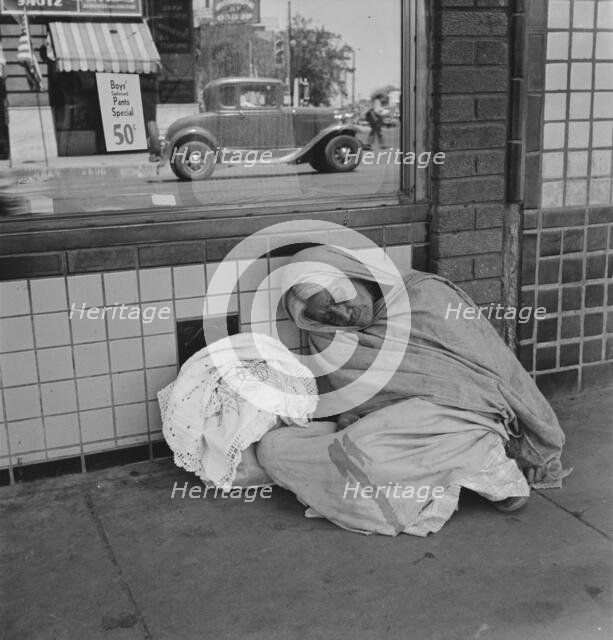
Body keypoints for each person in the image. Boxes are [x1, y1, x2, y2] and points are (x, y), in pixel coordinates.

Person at [256, 245, 569, 536]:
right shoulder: (335, 339)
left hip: (462, 416)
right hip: (395, 427)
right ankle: (468, 468)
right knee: (272, 449)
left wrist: (539, 446)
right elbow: (367, 400)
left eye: (339, 301)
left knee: (368, 461)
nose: (342, 315)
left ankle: (486, 463)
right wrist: (352, 414)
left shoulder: (426, 296)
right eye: (325, 316)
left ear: (354, 275)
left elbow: (500, 368)